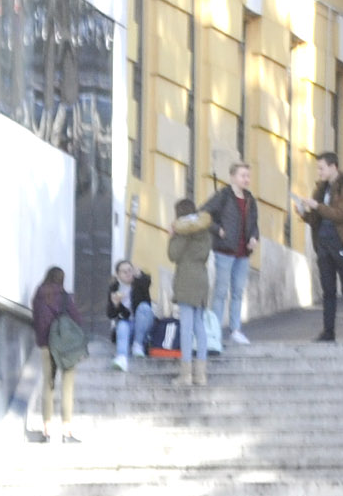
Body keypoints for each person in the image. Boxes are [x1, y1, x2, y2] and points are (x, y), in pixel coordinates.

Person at [297, 154, 343, 342]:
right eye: (318, 168)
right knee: (328, 290)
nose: (319, 172)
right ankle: (329, 331)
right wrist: (304, 213)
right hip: (324, 245)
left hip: (342, 243)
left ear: (333, 167)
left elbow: (341, 214)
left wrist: (317, 206)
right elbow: (318, 219)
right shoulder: (321, 189)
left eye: (321, 168)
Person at [205, 161, 261, 345]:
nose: (246, 179)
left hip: (243, 253)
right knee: (221, 291)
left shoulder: (250, 199)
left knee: (238, 291)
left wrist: (254, 237)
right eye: (242, 175)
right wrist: (217, 229)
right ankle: (215, 330)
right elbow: (204, 214)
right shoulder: (223, 196)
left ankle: (235, 329)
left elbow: (254, 224)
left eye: (248, 176)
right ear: (232, 177)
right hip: (225, 250)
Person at [28, 265, 85, 439]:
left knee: (48, 385)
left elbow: (36, 319)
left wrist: (43, 340)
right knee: (67, 387)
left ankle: (47, 430)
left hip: (46, 345)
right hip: (65, 348)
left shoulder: (38, 295)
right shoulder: (66, 298)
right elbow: (77, 321)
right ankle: (66, 431)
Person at [166, 196, 215, 381]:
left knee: (186, 327)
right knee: (199, 326)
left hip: (186, 279)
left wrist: (173, 236)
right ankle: (201, 375)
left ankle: (186, 374)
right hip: (202, 278)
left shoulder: (182, 231)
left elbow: (173, 255)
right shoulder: (204, 231)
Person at [108, 260, 156, 371]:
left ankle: (138, 345)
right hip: (128, 326)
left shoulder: (139, 283)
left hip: (143, 327)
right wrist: (116, 305)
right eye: (124, 271)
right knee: (122, 325)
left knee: (144, 307)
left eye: (130, 270)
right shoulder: (114, 288)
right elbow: (111, 314)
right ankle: (121, 357)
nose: (128, 273)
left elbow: (147, 283)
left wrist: (139, 274)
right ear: (117, 274)